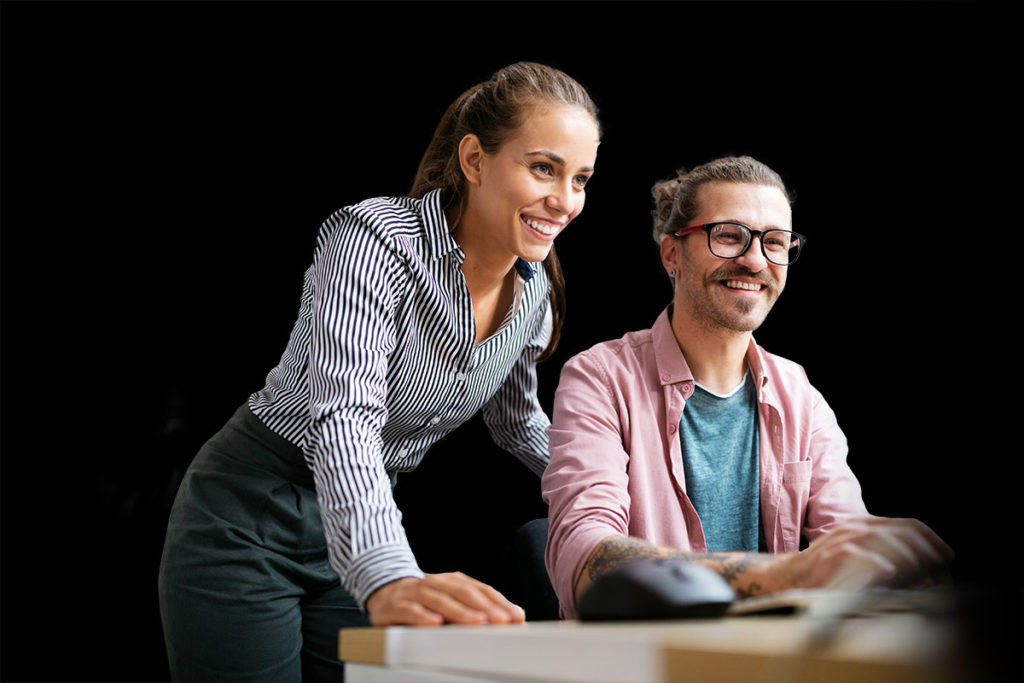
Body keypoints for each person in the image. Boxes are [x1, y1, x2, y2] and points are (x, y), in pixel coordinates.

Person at [159, 62, 601, 681]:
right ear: (475, 160)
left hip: (360, 520)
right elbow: (344, 416)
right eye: (543, 168)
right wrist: (387, 573)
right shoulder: (373, 239)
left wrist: (620, 500)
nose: (565, 200)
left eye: (580, 178)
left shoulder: (533, 295)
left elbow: (517, 422)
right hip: (250, 510)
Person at [542, 155, 952, 618]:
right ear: (672, 253)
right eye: (729, 236)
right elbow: (584, 560)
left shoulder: (801, 396)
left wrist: (890, 565)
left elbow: (847, 544)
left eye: (775, 242)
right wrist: (788, 575)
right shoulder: (599, 378)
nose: (755, 260)